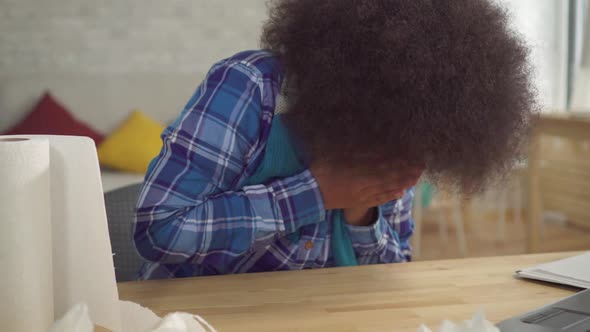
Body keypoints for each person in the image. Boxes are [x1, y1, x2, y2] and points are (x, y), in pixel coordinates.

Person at [133, 0, 535, 279]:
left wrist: (361, 210)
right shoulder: (249, 86)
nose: (396, 149)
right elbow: (160, 229)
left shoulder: (405, 129)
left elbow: (394, 266)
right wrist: (318, 193)